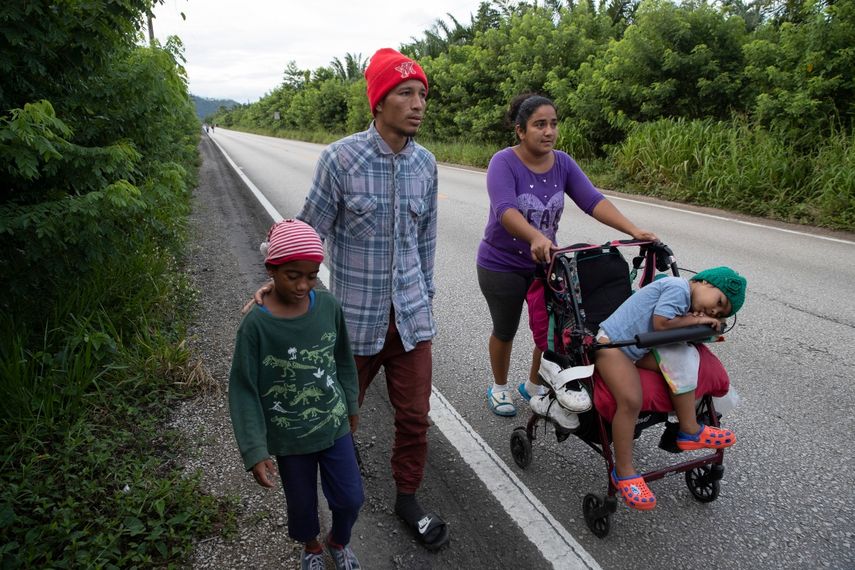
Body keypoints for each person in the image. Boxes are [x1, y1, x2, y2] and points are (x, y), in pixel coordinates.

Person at [252, 48, 448, 550]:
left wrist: (426, 302)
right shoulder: (340, 159)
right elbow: (307, 231)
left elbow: (425, 244)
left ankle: (408, 497)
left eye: (422, 94)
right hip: (352, 326)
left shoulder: (426, 165)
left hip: (410, 322)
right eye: (405, 93)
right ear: (378, 102)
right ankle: (334, 513)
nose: (417, 104)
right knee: (334, 415)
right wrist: (275, 278)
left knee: (414, 417)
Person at [476, 92, 657, 423]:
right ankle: (499, 387)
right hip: (501, 263)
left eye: (553, 124)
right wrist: (535, 236)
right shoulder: (503, 162)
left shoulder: (563, 162)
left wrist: (634, 230)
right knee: (506, 328)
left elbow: (592, 200)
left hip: (547, 264)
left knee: (548, 330)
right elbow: (505, 210)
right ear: (520, 130)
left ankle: (532, 385)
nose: (548, 132)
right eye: (539, 125)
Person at [229, 219, 363, 570]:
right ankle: (312, 548)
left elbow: (344, 361)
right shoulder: (256, 325)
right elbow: (243, 389)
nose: (304, 285)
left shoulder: (329, 308)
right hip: (290, 438)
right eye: (293, 275)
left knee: (350, 498)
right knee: (301, 506)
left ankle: (339, 541)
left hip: (334, 427)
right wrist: (255, 449)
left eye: (312, 275)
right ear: (271, 269)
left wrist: (350, 403)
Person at [595, 266, 747, 511]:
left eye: (720, 312)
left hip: (640, 348)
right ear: (704, 282)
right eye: (719, 301)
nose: (715, 310)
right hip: (612, 347)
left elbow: (671, 333)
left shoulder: (687, 303)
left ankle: (689, 429)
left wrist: (705, 329)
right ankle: (623, 471)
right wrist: (699, 320)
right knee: (631, 400)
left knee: (684, 358)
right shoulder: (677, 288)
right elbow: (662, 323)